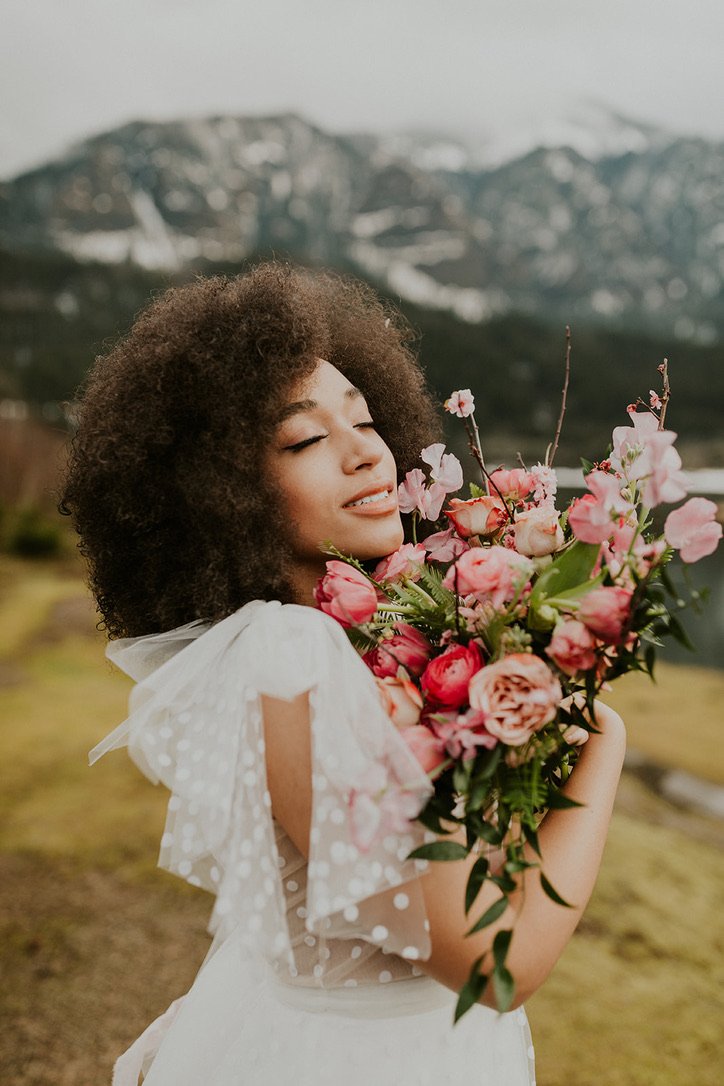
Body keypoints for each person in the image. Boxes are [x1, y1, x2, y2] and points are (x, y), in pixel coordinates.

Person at [61, 262, 626, 1086]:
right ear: (221, 493)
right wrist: (603, 741)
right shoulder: (293, 657)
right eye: (305, 439)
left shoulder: (327, 642)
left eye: (364, 419)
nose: (366, 452)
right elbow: (495, 964)